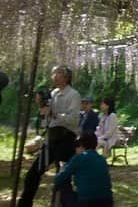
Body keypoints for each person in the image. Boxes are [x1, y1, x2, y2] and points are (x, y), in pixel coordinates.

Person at [19, 65, 81, 207]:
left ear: (65, 77)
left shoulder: (73, 95)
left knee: (62, 178)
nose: (53, 77)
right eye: (53, 74)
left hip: (66, 139)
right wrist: (42, 107)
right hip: (51, 139)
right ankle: (24, 203)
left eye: (56, 74)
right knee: (33, 174)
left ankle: (63, 204)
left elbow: (73, 120)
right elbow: (47, 121)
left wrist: (54, 114)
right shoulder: (52, 94)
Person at [53, 132, 113, 207]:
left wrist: (64, 168)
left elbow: (58, 179)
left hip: (86, 202)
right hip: (107, 201)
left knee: (63, 182)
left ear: (81, 145)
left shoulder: (79, 158)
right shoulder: (101, 159)